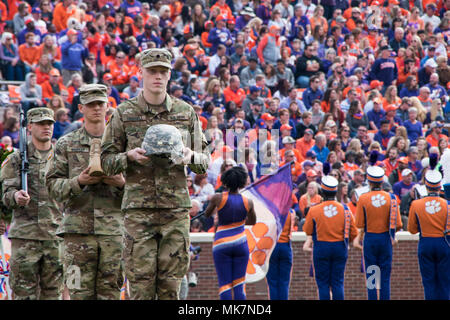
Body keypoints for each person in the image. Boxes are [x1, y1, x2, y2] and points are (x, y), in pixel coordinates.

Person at [100, 48, 211, 300]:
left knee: (171, 288)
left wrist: (190, 157)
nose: (157, 77)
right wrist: (128, 157)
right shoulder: (124, 113)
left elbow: (204, 161)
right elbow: (104, 162)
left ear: (170, 75)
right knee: (140, 288)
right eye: (152, 71)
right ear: (141, 73)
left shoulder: (185, 112)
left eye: (163, 72)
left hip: (175, 212)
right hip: (139, 213)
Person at [45, 84, 125, 300]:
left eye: (100, 104)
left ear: (108, 106)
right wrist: (78, 181)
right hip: (76, 234)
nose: (96, 108)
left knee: (111, 293)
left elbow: (140, 190)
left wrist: (120, 182)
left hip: (113, 232)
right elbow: (53, 187)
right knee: (78, 293)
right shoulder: (66, 144)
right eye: (91, 104)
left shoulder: (121, 145)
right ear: (81, 108)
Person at [1, 108, 63, 300]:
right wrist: (15, 196)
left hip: (55, 235)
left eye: (50, 124)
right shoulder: (17, 159)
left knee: (53, 293)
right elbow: (5, 193)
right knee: (23, 293)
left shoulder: (62, 158)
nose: (47, 127)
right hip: (25, 236)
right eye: (41, 123)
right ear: (30, 127)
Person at [303, 168, 358, 300]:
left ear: (321, 191)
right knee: (338, 283)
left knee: (323, 284)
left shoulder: (314, 210)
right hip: (340, 247)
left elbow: (308, 230)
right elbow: (354, 232)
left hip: (321, 247)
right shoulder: (346, 209)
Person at [203, 166, 256, 300]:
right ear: (242, 182)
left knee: (225, 284)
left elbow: (207, 214)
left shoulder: (218, 197)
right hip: (241, 242)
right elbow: (252, 221)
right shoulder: (248, 202)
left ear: (225, 182)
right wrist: (238, 223)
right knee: (239, 284)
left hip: (221, 243)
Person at [353, 164, 403, 300]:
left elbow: (358, 224)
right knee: (385, 277)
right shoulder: (392, 198)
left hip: (370, 238)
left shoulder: (363, 198)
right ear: (382, 182)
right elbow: (398, 224)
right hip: (386, 238)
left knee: (372, 276)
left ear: (369, 182)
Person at [408, 167, 450, 300]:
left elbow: (412, 229)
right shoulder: (448, 205)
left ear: (426, 187)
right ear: (439, 188)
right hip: (444, 243)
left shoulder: (416, 204)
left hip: (425, 243)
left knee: (429, 283)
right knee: (445, 282)